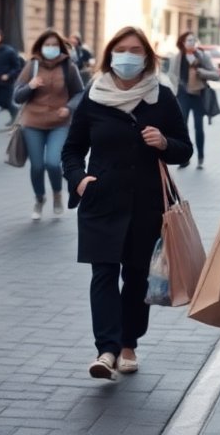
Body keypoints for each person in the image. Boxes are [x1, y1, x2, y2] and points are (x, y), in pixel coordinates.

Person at [62, 26, 193, 380]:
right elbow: (72, 149)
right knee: (103, 274)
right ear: (110, 54)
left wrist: (165, 142)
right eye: (122, 49)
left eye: (136, 50)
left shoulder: (161, 97)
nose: (128, 56)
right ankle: (106, 350)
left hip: (145, 204)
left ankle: (128, 344)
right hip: (101, 200)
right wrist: (79, 181)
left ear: (147, 57)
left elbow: (185, 147)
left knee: (135, 278)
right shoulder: (93, 96)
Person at [14, 30, 85, 220]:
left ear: (60, 47)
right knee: (37, 166)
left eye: (54, 45)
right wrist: (30, 86)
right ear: (41, 46)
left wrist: (69, 108)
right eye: (48, 45)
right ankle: (39, 198)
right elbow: (17, 95)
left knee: (53, 163)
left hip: (59, 123)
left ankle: (57, 194)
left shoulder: (68, 67)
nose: (51, 48)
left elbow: (80, 93)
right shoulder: (32, 65)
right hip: (32, 123)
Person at [172, 32, 218, 170]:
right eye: (188, 40)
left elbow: (216, 74)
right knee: (182, 128)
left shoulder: (202, 56)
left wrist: (201, 72)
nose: (191, 42)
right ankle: (184, 158)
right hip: (183, 95)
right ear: (182, 43)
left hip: (198, 96)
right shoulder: (178, 57)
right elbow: (172, 74)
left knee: (199, 127)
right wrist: (178, 86)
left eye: (193, 40)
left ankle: (200, 157)